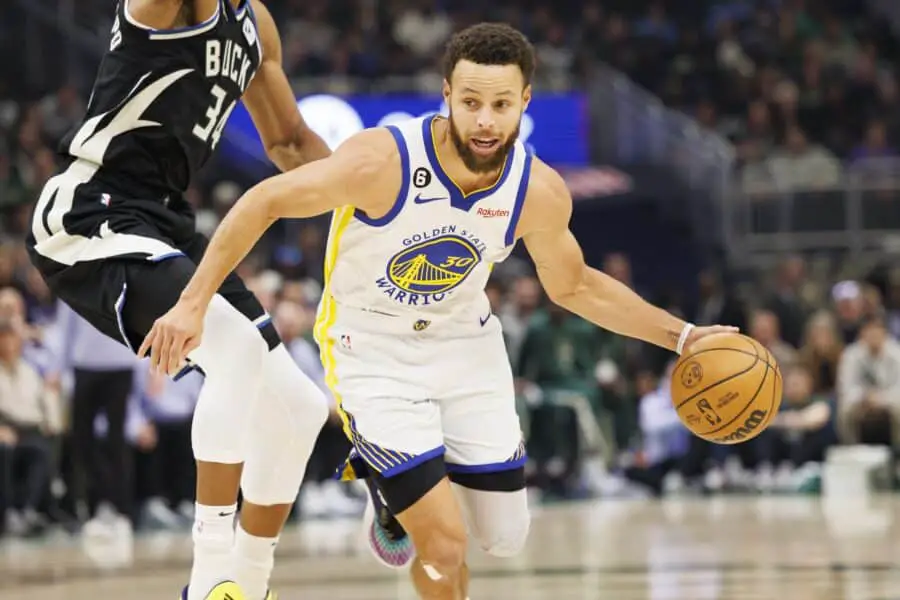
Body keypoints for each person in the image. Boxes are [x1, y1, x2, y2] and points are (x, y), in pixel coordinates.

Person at [141, 22, 736, 600]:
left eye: (501, 104)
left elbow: (575, 286)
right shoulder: (382, 161)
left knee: (503, 538)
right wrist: (192, 304)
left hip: (465, 347)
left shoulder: (537, 190)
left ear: (524, 100)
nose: (484, 120)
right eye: (470, 101)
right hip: (369, 351)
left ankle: (398, 488)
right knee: (446, 548)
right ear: (446, 94)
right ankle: (395, 481)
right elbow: (263, 200)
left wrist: (683, 337)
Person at [25, 1, 332, 599]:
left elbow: (292, 143)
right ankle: (208, 575)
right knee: (238, 349)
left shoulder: (256, 22)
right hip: (95, 207)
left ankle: (248, 584)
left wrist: (376, 192)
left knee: (300, 406)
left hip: (166, 221)